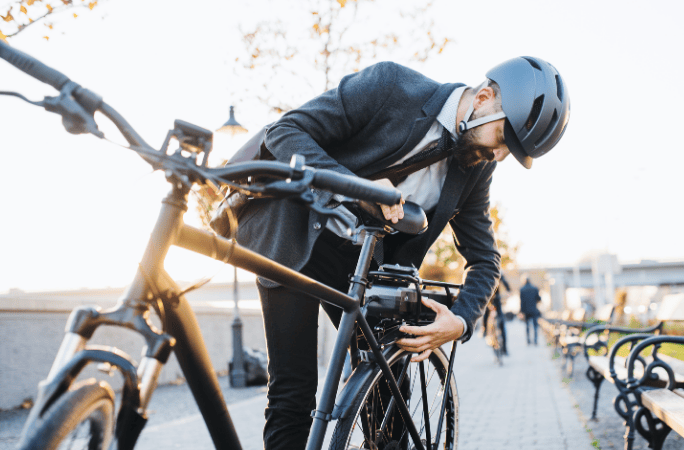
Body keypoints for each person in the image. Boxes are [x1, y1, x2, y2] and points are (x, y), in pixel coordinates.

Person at [235, 57, 570, 449]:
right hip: (295, 234)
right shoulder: (390, 86)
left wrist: (461, 321)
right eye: (502, 139)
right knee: (292, 393)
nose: (500, 156)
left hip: (368, 267)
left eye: (511, 152)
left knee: (390, 397)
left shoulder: (477, 167)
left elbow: (486, 259)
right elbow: (285, 132)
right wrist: (358, 188)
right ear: (483, 98)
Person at [483, 273, 510, 354]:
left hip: (489, 299)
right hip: (492, 300)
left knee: (488, 316)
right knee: (500, 321)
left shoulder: (485, 270)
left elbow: (504, 282)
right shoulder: (496, 269)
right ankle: (504, 349)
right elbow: (505, 282)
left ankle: (484, 331)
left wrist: (508, 290)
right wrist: (508, 291)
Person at [519, 277, 542, 345]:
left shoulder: (522, 289)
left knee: (527, 326)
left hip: (526, 310)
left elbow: (521, 302)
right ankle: (535, 340)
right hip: (534, 310)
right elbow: (539, 299)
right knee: (535, 326)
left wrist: (521, 311)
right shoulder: (535, 288)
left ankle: (528, 340)